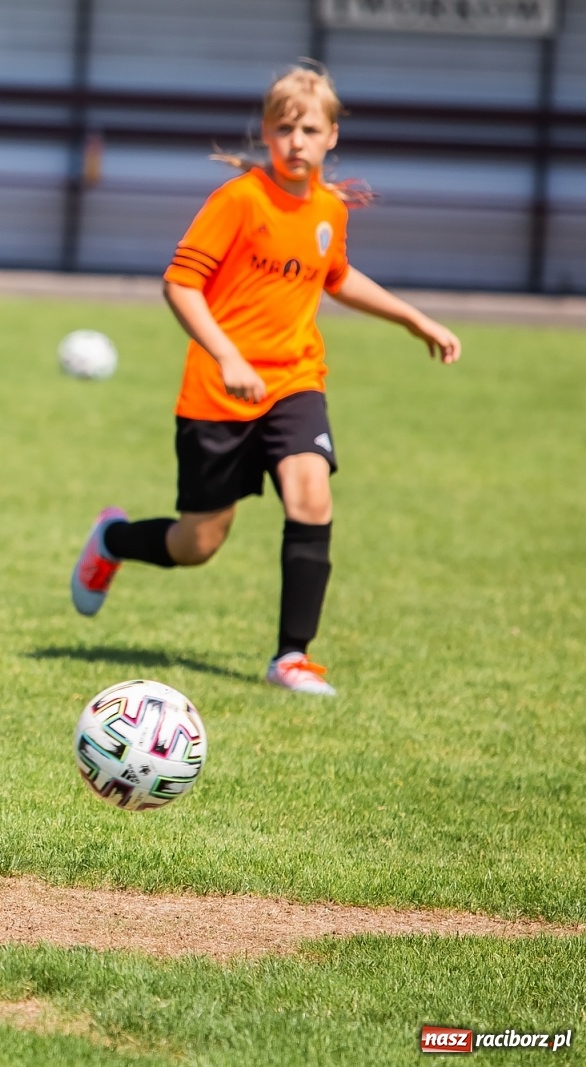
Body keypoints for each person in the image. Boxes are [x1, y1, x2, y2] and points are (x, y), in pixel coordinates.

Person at [69, 65, 460, 696]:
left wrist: (414, 318)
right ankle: (113, 539)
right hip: (217, 394)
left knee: (311, 493)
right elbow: (180, 284)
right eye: (284, 128)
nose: (296, 141)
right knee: (198, 542)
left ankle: (291, 658)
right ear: (266, 133)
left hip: (295, 380)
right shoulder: (240, 201)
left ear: (332, 135)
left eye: (309, 128)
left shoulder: (330, 209)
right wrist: (227, 356)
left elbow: (336, 276)